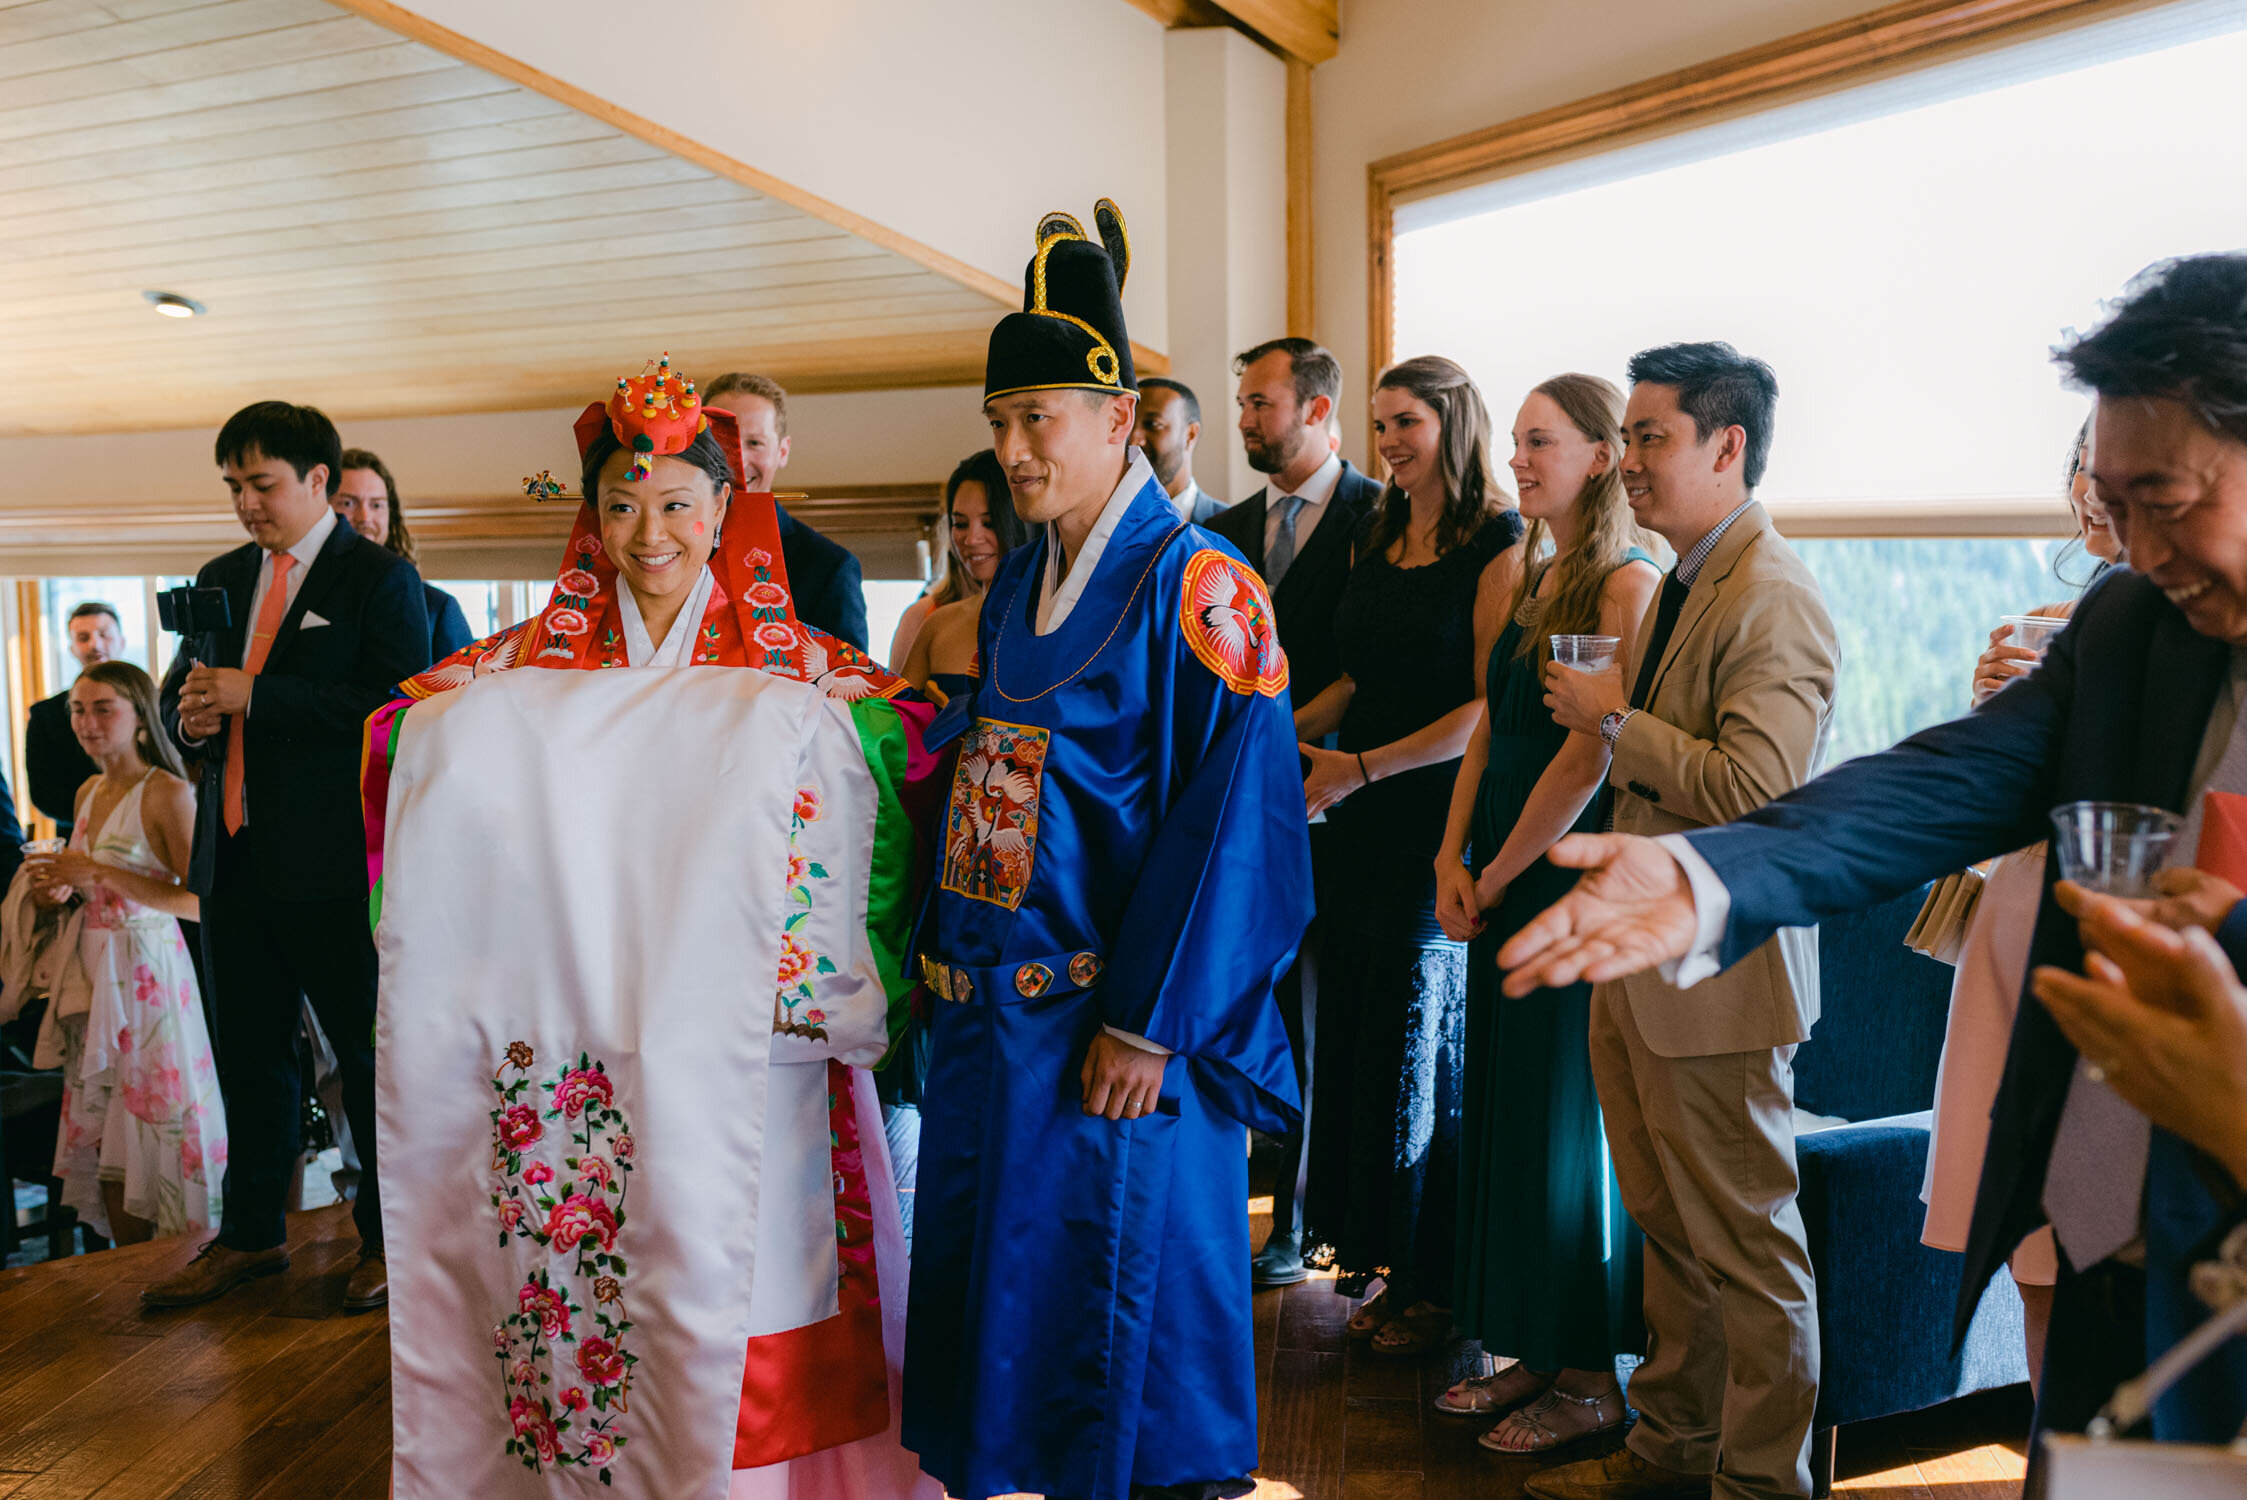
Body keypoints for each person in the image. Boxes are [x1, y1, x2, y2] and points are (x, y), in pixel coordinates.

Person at [1497, 256, 2247, 1471]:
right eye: (2112, 501)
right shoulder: (2136, 622)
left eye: (2166, 497)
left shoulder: (1775, 591)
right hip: (2126, 1192)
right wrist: (1712, 877)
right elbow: (1951, 777)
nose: (2138, 545)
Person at [366, 359, 938, 1498]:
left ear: (727, 506)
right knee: (588, 1276)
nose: (649, 532)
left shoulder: (797, 674)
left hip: (741, 1034)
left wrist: (799, 740)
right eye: (622, 505)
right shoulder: (533, 662)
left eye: (678, 503)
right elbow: (404, 731)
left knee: (748, 1276)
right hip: (587, 1025)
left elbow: (904, 734)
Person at [904, 199, 1311, 1500]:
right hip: (996, 1028)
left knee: (1121, 1339)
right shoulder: (1018, 587)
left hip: (1111, 1035)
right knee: (1013, 1325)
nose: (1014, 451)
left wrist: (1147, 1024)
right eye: (998, 422)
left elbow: (1235, 823)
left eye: (1040, 420)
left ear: (1119, 420)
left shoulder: (1200, 587)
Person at [1521, 342, 1835, 1500]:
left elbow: (1759, 793)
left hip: (1724, 973)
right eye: (1633, 437)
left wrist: (1614, 721)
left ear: (1727, 444)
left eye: (1652, 438)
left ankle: (1761, 1488)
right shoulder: (1683, 581)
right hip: (1640, 962)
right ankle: (1669, 1459)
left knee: (1750, 1258)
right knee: (1666, 1234)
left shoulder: (1776, 595)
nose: (1632, 463)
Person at [144, 400, 430, 1314]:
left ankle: (391, 1242)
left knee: (366, 1056)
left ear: (318, 479)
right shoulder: (221, 575)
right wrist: (189, 719)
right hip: (231, 859)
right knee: (249, 1057)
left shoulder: (378, 582)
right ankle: (251, 1235)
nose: (245, 504)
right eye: (234, 486)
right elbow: (187, 692)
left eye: (261, 484)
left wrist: (257, 695)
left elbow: (392, 710)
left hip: (335, 865)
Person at [1432, 374, 1659, 1452]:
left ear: (1603, 456)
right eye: (1517, 442)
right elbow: (1490, 726)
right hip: (1501, 862)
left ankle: (1590, 1378)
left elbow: (1590, 753)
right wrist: (1450, 853)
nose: (1516, 460)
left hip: (1563, 874)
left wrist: (1508, 871)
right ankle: (1529, 1340)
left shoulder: (1626, 584)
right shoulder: (1538, 567)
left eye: (1539, 442)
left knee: (1567, 1124)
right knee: (1512, 1114)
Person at [1295, 355, 1526, 1355]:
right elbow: (1356, 670)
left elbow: (1487, 705)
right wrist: (1272, 740)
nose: (1388, 443)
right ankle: (1385, 1264)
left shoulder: (1498, 542)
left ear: (1453, 425)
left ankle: (1438, 1284)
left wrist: (1363, 769)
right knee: (1354, 1032)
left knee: (1415, 1048)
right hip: (1350, 809)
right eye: (1380, 425)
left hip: (1432, 810)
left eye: (1406, 424)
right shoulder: (1375, 530)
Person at [1922, 424, 2119, 1394]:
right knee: (2027, 1250)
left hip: (2106, 957)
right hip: (2016, 944)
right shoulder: (2051, 621)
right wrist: (1992, 715)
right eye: (2082, 467)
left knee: (2104, 1252)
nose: (2091, 489)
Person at [1206, 336, 1383, 1287]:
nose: (1245, 420)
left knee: (1317, 1019)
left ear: (1317, 410)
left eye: (1260, 404)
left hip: (1332, 805)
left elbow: (1373, 665)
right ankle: (1224, 1201)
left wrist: (1285, 743)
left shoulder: (1376, 519)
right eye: (1241, 404)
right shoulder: (1225, 528)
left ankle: (1297, 1223)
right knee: (1238, 999)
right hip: (1236, 805)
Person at [20, 662, 224, 1244]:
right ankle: (121, 1266)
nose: (87, 722)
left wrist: (101, 871)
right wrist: (59, 891)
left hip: (148, 975)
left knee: (151, 1115)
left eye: (103, 708)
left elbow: (199, 903)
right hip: (92, 973)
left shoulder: (167, 792)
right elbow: (88, 883)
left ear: (139, 717)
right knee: (107, 1127)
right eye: (78, 710)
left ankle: (181, 1251)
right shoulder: (88, 791)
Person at [704, 371, 871, 650]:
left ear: (782, 451)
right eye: (721, 441)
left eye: (754, 443)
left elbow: (845, 685)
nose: (737, 459)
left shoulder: (829, 567)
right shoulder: (663, 549)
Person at [901, 450, 1027, 701]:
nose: (971, 539)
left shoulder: (1054, 620)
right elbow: (892, 726)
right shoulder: (937, 625)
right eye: (960, 524)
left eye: (989, 523)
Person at [333, 447, 476, 659]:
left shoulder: (437, 608)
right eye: (347, 503)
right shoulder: (304, 594)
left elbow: (465, 690)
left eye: (376, 505)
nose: (364, 517)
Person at [27, 602, 124, 838]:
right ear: (72, 648)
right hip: (77, 836)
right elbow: (42, 793)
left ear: (121, 641)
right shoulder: (45, 714)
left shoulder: (155, 704)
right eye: (83, 637)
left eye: (104, 634)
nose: (95, 645)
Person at [1134, 376, 1224, 523]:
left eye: (1152, 424)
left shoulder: (1232, 526)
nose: (1134, 440)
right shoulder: (1106, 520)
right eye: (1129, 425)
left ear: (1190, 434)